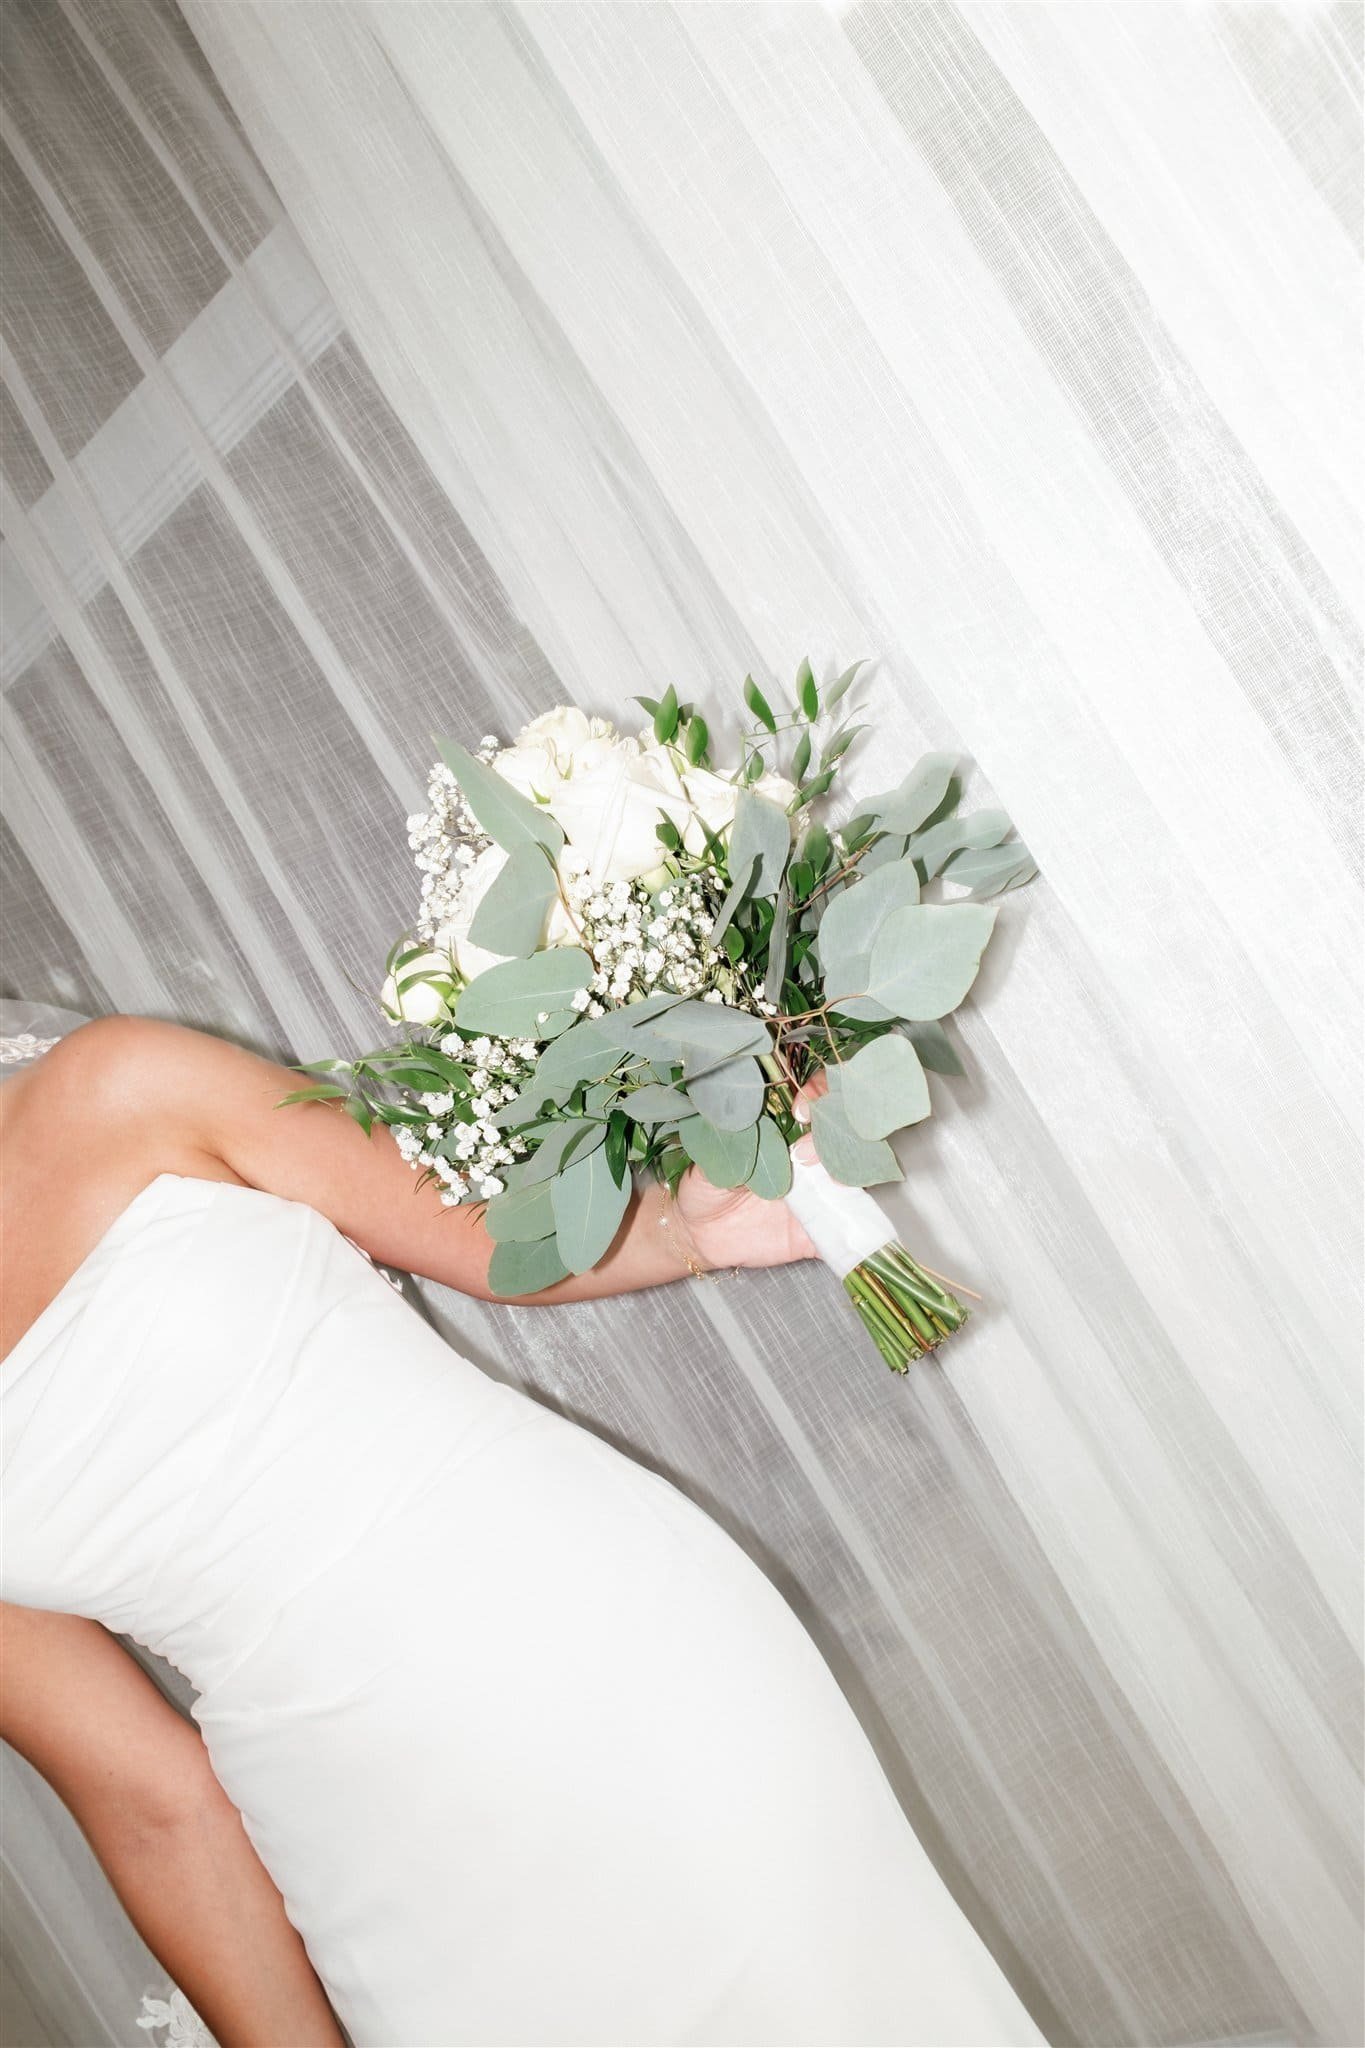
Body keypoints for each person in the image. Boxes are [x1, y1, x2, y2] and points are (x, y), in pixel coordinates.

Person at [0, 1016, 1044, 2047]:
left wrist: (693, 1231)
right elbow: (146, 1797)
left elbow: (489, 1240)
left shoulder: (117, 1086)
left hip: (592, 1644)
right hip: (357, 1836)